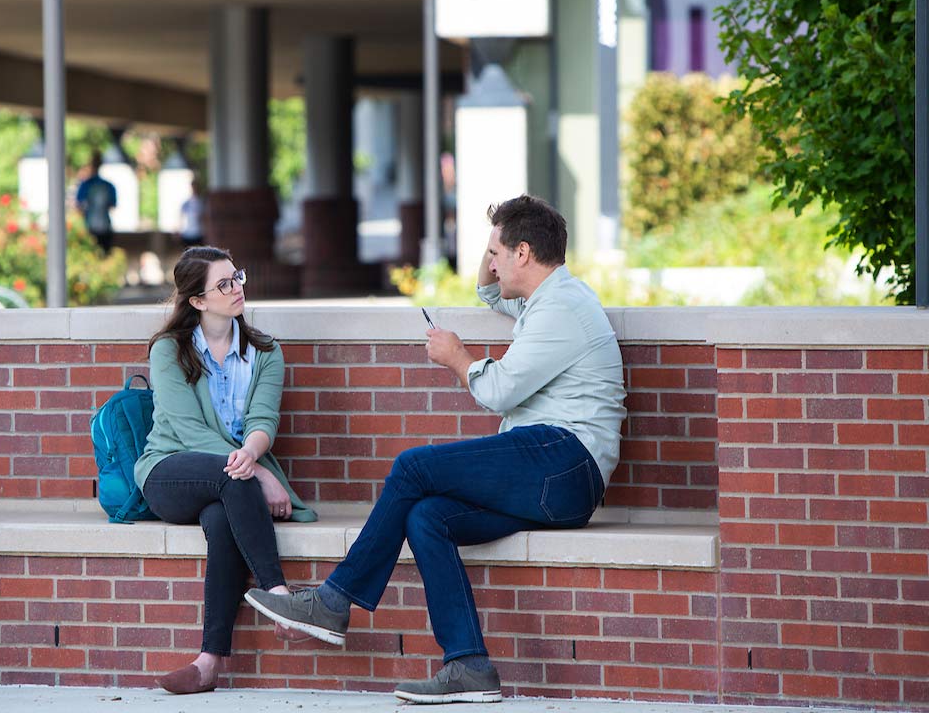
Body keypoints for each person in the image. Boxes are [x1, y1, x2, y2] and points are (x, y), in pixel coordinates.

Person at [244, 195, 627, 704]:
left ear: (524, 253)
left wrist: (456, 357)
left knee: (412, 467)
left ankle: (334, 602)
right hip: (550, 472)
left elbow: (497, 391)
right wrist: (495, 235)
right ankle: (468, 665)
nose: (489, 260)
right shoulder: (544, 297)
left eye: (496, 250)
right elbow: (488, 292)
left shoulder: (561, 308)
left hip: (565, 461)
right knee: (427, 517)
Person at [134, 246, 317, 695]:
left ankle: (208, 661)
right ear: (197, 301)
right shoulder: (169, 350)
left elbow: (262, 422)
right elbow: (188, 430)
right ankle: (279, 596)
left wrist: (252, 457)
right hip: (169, 470)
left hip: (232, 479)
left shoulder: (265, 352)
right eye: (224, 284)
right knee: (229, 477)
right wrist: (258, 473)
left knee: (221, 517)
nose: (236, 289)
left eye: (237, 277)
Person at [75, 154, 117, 254]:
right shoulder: (107, 185)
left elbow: (79, 205)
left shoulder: (87, 185)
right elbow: (112, 205)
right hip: (102, 227)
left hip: (92, 226)